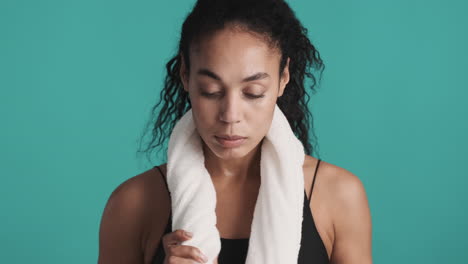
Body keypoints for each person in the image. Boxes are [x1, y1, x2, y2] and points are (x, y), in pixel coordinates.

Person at [98, 0, 372, 263]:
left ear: (282, 79)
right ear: (185, 75)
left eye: (253, 93)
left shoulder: (338, 196)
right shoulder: (133, 205)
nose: (230, 116)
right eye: (211, 91)